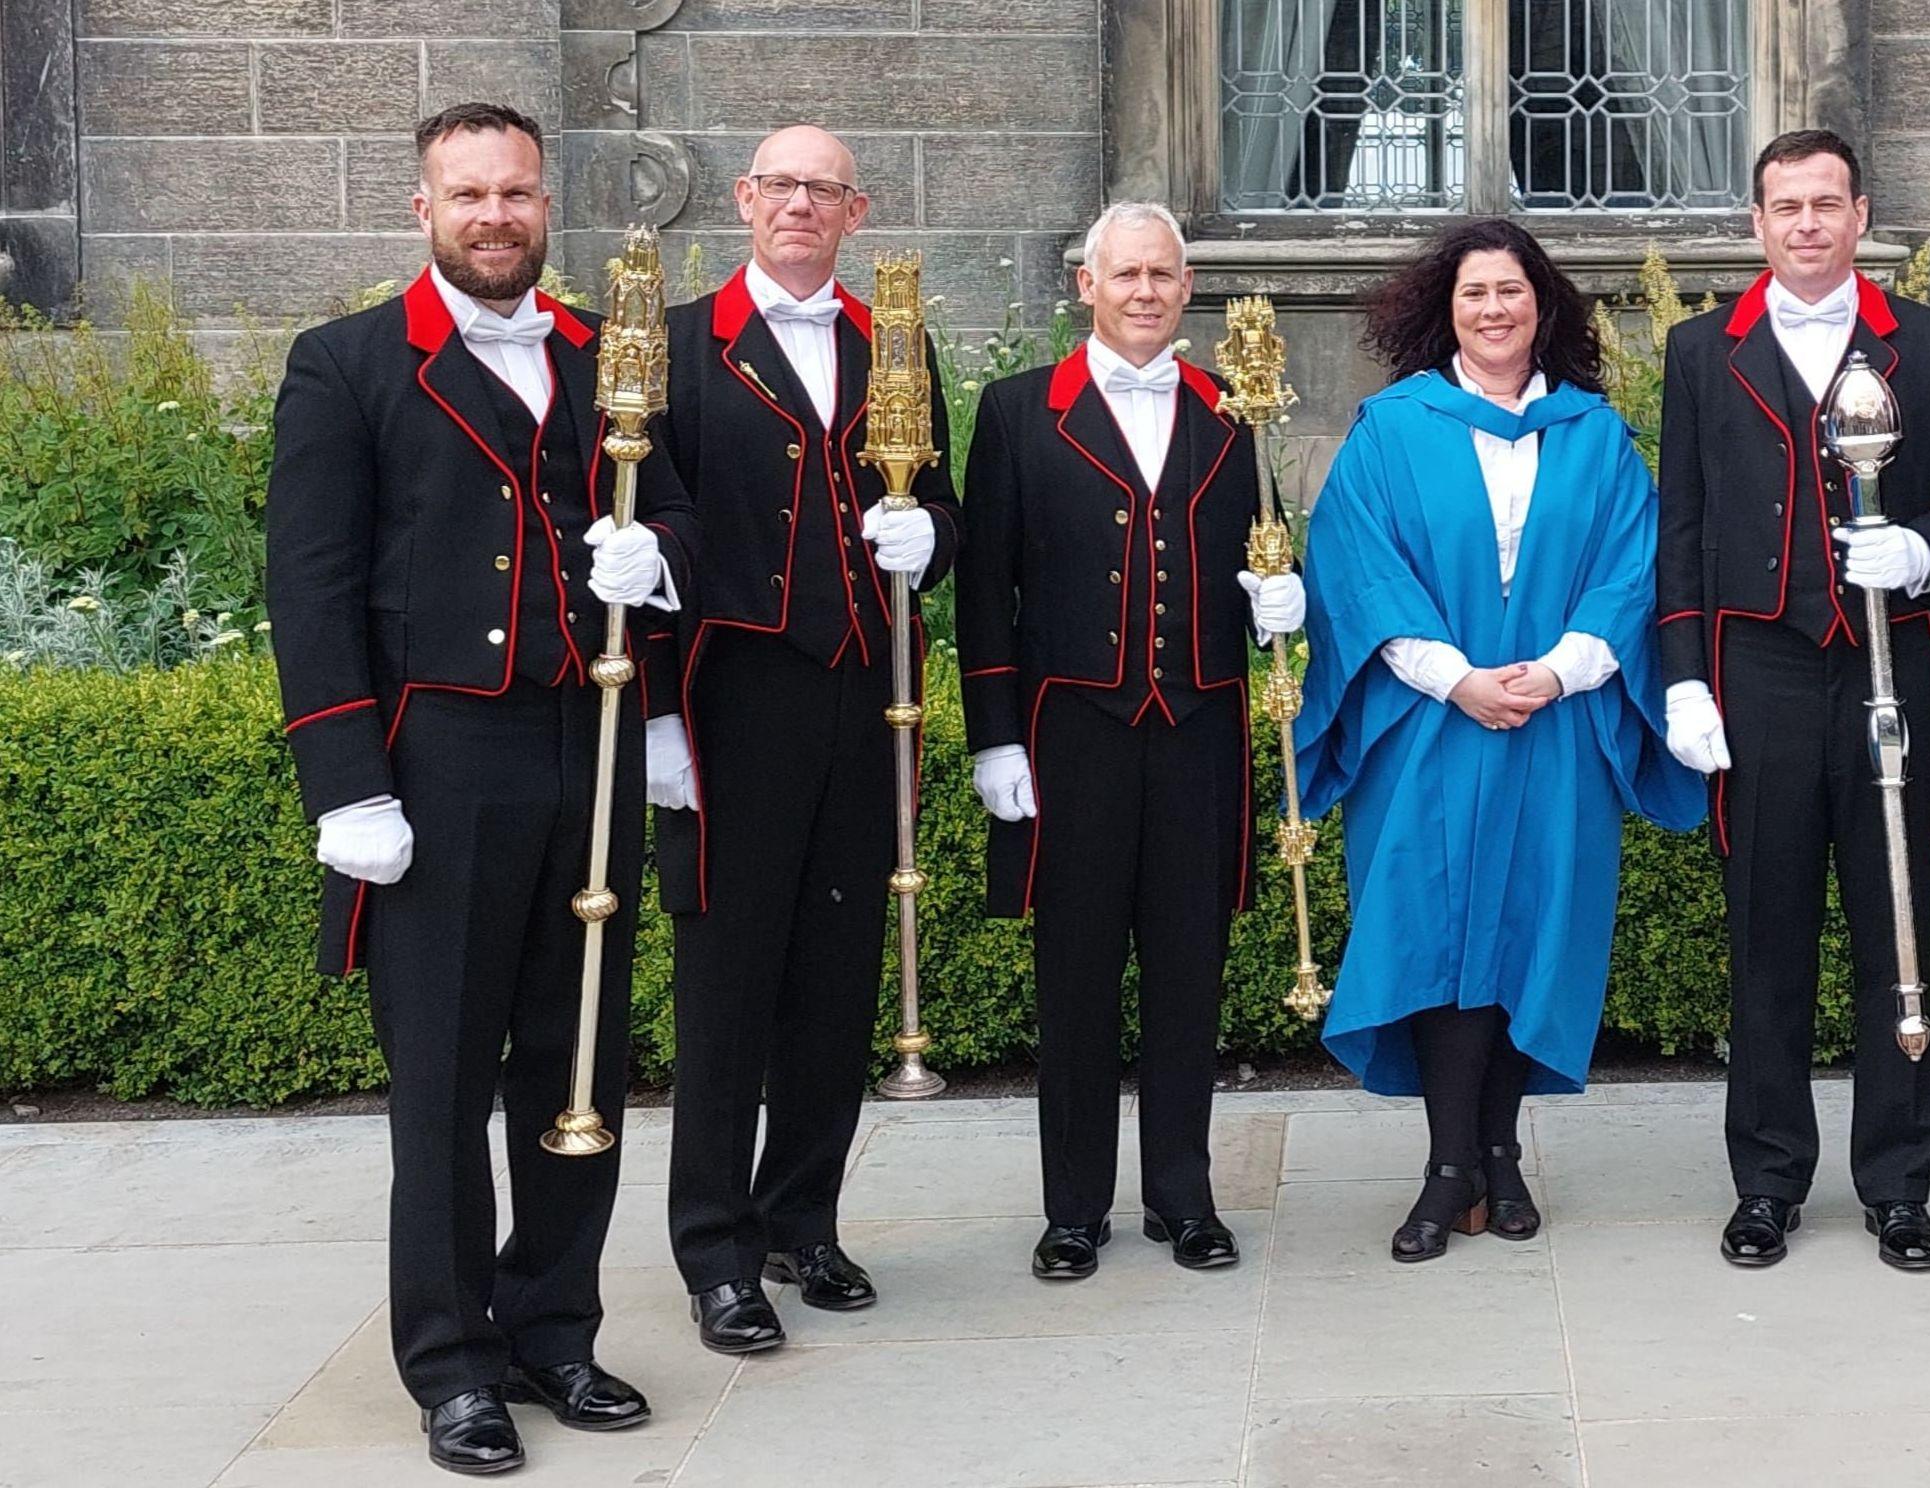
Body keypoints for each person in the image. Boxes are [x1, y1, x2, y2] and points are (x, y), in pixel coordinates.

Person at [266, 102, 697, 1475]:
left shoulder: (605, 351)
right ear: (425, 210)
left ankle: (555, 1325)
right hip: (438, 764)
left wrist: (658, 566)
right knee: (444, 1080)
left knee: (578, 1057)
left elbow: (676, 508)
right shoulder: (346, 366)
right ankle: (452, 1360)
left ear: (544, 201)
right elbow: (312, 589)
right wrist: (348, 782)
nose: (495, 216)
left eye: (515, 193)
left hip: (592, 745)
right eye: (468, 195)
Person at [1296, 217, 1705, 1262]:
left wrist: (1564, 669)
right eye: (1475, 292)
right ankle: (1450, 1167)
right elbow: (1358, 568)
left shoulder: (1594, 435)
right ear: (1446, 309)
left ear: (1542, 308)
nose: (1493, 310)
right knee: (1433, 934)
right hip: (1428, 726)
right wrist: (1455, 676)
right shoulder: (1391, 429)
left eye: (1511, 292)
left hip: (1556, 725)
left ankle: (1501, 1156)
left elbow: (1630, 567)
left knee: (1532, 932)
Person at [1654, 130, 1930, 1271]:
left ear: (1861, 215)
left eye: (1824, 204)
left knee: (1895, 930)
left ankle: (1897, 1184)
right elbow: (1683, 529)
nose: (1804, 225)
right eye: (1783, 207)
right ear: (1756, 223)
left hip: (1891, 664)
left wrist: (1924, 548)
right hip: (1756, 667)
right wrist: (1680, 677)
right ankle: (1766, 1181)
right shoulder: (1702, 349)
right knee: (1766, 939)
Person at [646, 125, 960, 1354]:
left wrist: (929, 535)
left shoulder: (897, 342)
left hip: (864, 691)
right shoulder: (674, 344)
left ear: (855, 211)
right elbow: (639, 536)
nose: (799, 206)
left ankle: (803, 1219)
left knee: (838, 973)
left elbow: (937, 500)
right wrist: (664, 716)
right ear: (743, 199)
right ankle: (715, 1252)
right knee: (727, 987)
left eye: (823, 190)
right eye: (780, 185)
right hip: (731, 698)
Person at [956, 201, 1303, 1279]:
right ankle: (1072, 1209)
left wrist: (1281, 601)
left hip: (1196, 727)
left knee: (1189, 971)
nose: (1145, 291)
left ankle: (1183, 1197)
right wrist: (993, 739)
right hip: (1073, 737)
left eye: (1163, 273)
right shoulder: (1019, 412)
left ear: (1186, 288)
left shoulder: (1234, 414)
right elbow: (982, 590)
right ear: (1086, 286)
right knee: (1076, 974)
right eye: (1127, 274)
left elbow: (1263, 553)